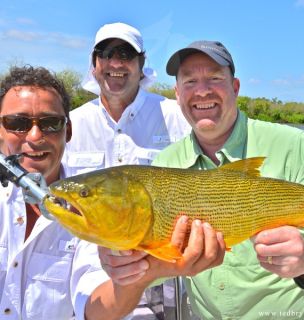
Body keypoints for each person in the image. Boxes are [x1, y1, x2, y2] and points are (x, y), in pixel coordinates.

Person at [105, 41, 304, 320]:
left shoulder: (296, 146)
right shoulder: (164, 165)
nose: (202, 90)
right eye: (190, 81)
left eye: (215, 78)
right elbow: (153, 271)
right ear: (178, 94)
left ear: (236, 87)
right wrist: (125, 263)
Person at [0, 65, 215, 320]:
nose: (35, 136)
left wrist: (138, 278)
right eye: (17, 123)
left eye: (50, 123)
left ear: (68, 131)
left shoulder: (89, 210)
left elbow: (94, 305)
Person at [63, 22, 192, 319]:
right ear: (94, 65)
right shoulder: (71, 123)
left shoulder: (176, 116)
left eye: (126, 54)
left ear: (141, 65)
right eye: (106, 53)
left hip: (165, 272)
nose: (116, 63)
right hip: (90, 269)